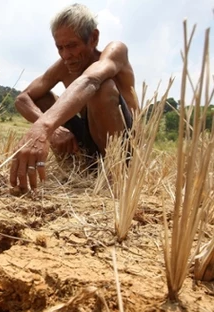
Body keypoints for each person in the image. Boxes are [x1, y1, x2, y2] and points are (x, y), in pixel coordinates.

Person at [10, 3, 139, 193]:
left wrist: (44, 127)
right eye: (60, 47)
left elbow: (90, 80)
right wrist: (54, 130)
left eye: (72, 46)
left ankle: (116, 177)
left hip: (124, 150)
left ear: (93, 38)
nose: (65, 55)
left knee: (103, 88)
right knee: (42, 100)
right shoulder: (64, 65)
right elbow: (23, 98)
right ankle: (76, 171)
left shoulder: (115, 52)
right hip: (89, 147)